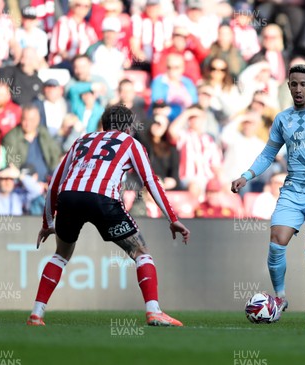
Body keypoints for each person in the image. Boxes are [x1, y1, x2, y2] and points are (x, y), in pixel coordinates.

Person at [27, 104, 190, 327]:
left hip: (69, 198)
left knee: (61, 254)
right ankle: (153, 311)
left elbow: (55, 181)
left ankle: (37, 313)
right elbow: (150, 181)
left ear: (105, 124)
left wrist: (48, 222)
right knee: (141, 252)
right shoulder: (131, 143)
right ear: (128, 126)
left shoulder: (82, 140)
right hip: (102, 199)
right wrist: (173, 218)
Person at [231, 64, 305, 325]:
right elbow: (267, 154)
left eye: (302, 84)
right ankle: (281, 298)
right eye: (293, 84)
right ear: (288, 86)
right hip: (293, 191)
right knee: (276, 242)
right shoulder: (283, 119)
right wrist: (247, 175)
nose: (298, 88)